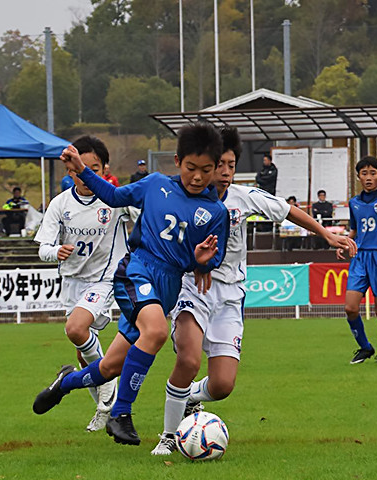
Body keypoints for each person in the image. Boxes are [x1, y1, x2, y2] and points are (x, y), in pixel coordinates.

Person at [151, 127, 357, 455]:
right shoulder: (179, 196)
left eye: (232, 165)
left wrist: (327, 235)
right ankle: (167, 438)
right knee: (188, 360)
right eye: (220, 165)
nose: (225, 172)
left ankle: (189, 398)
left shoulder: (244, 197)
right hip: (191, 288)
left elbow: (288, 211)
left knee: (222, 386)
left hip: (230, 296)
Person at [33, 122, 230, 447]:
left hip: (166, 288)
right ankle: (121, 413)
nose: (197, 177)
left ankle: (65, 383)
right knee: (155, 332)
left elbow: (210, 261)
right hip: (136, 271)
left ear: (215, 168)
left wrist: (201, 259)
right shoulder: (153, 185)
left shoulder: (216, 212)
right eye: (191, 168)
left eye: (206, 170)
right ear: (178, 160)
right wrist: (82, 169)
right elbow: (111, 195)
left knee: (110, 366)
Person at [33, 136, 128, 432]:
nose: (86, 175)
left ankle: (107, 391)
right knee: (81, 348)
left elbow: (149, 213)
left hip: (105, 278)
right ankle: (103, 407)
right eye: (79, 169)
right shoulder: (60, 204)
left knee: (75, 329)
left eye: (94, 169)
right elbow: (43, 247)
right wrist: (55, 252)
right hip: (72, 282)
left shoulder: (116, 198)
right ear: (71, 170)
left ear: (105, 168)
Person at [336, 156, 377, 365]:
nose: (368, 178)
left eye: (373, 173)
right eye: (364, 174)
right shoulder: (354, 203)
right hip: (360, 258)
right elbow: (356, 229)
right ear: (358, 177)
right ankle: (365, 347)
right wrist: (345, 243)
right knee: (350, 308)